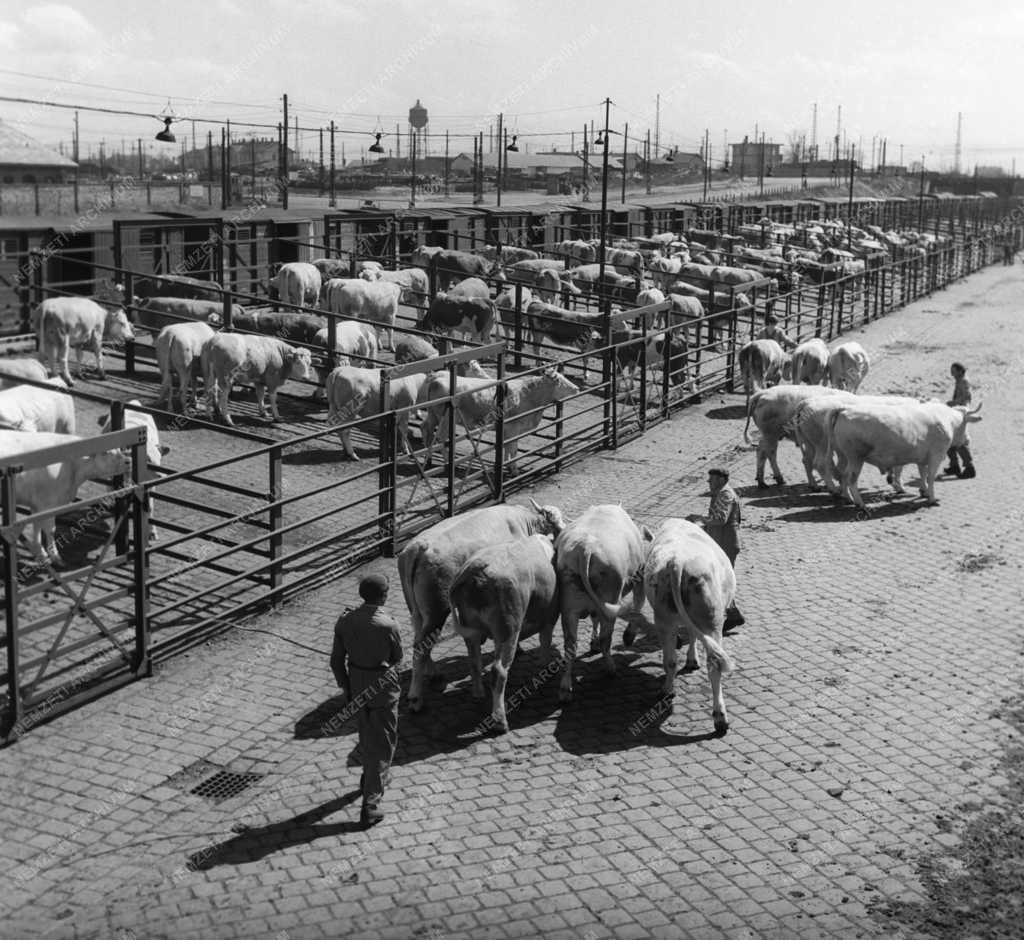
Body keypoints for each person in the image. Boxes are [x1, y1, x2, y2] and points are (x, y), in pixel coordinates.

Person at [330, 573, 403, 827]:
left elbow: (336, 661)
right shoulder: (388, 625)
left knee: (365, 735)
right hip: (383, 690)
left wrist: (346, 687)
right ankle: (370, 805)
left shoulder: (345, 622)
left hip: (358, 688)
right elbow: (398, 657)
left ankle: (368, 778)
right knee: (382, 745)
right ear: (384, 595)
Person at [688, 467, 745, 630]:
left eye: (711, 480)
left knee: (722, 581)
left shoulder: (725, 494)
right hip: (721, 542)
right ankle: (732, 613)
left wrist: (699, 519)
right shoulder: (722, 493)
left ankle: (731, 614)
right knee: (721, 580)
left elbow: (720, 519)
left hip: (725, 544)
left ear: (721, 480)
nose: (708, 483)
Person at [943, 362, 976, 479]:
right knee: (950, 440)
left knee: (959, 441)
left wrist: (953, 403)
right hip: (956, 412)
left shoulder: (964, 381)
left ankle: (969, 467)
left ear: (960, 371)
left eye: (953, 370)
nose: (951, 373)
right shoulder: (959, 380)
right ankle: (954, 465)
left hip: (961, 414)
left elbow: (966, 397)